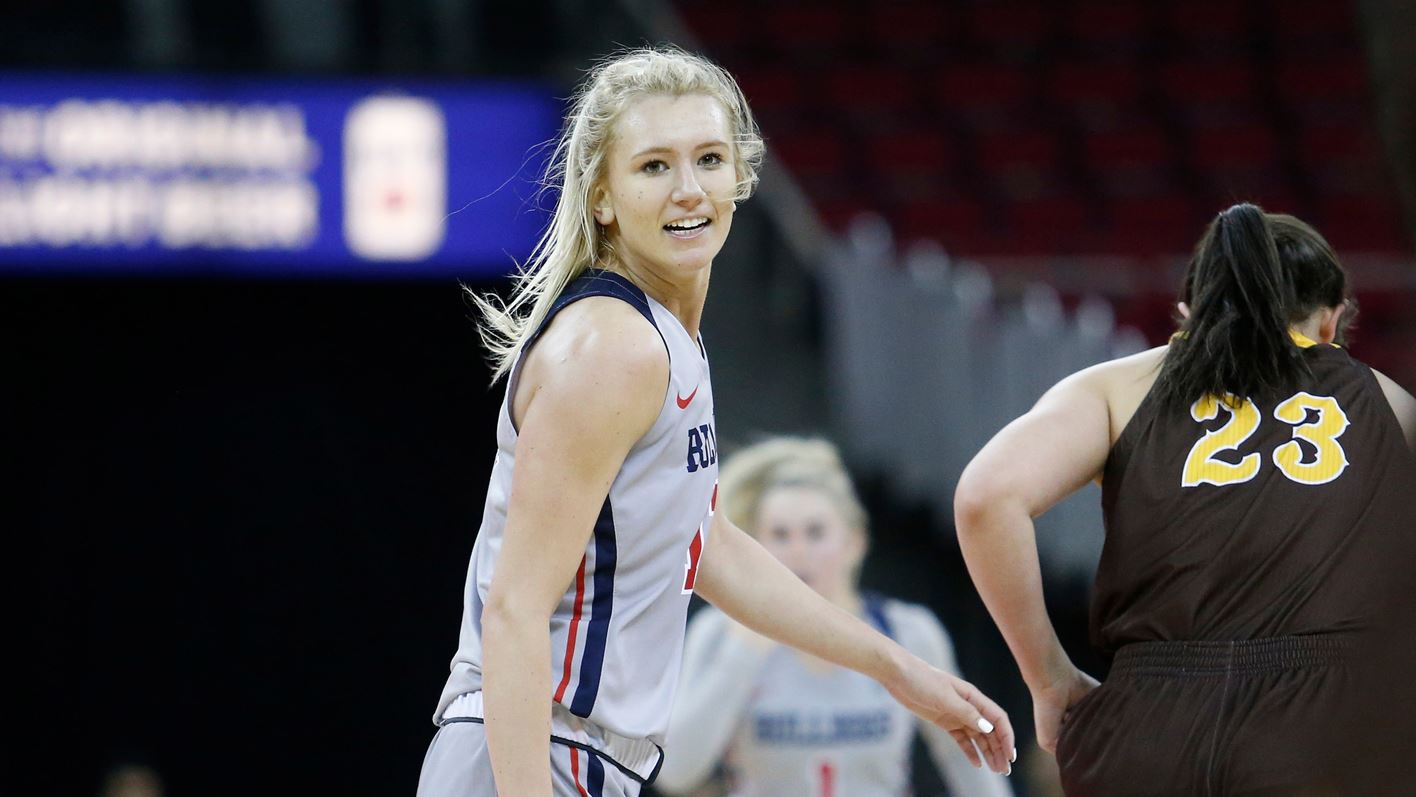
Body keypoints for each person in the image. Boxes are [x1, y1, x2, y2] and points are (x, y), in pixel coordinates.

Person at [416, 47, 1014, 797]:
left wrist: (898, 668)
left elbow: (713, 545)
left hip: (579, 756)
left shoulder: (670, 339)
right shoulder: (614, 347)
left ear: (742, 176)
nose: (688, 189)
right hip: (531, 750)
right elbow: (513, 609)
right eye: (654, 166)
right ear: (602, 196)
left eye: (708, 158)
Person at [954, 203, 1416, 795]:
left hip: (1150, 718)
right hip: (1327, 718)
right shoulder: (1387, 403)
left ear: (1187, 313)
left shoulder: (1116, 386)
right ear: (1331, 322)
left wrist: (1047, 678)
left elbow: (986, 499)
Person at [656, 437, 1014, 797]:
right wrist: (746, 645)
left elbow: (965, 760)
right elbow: (676, 773)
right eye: (780, 535)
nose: (798, 551)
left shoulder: (907, 632)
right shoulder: (719, 632)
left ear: (855, 542)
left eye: (815, 533)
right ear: (756, 546)